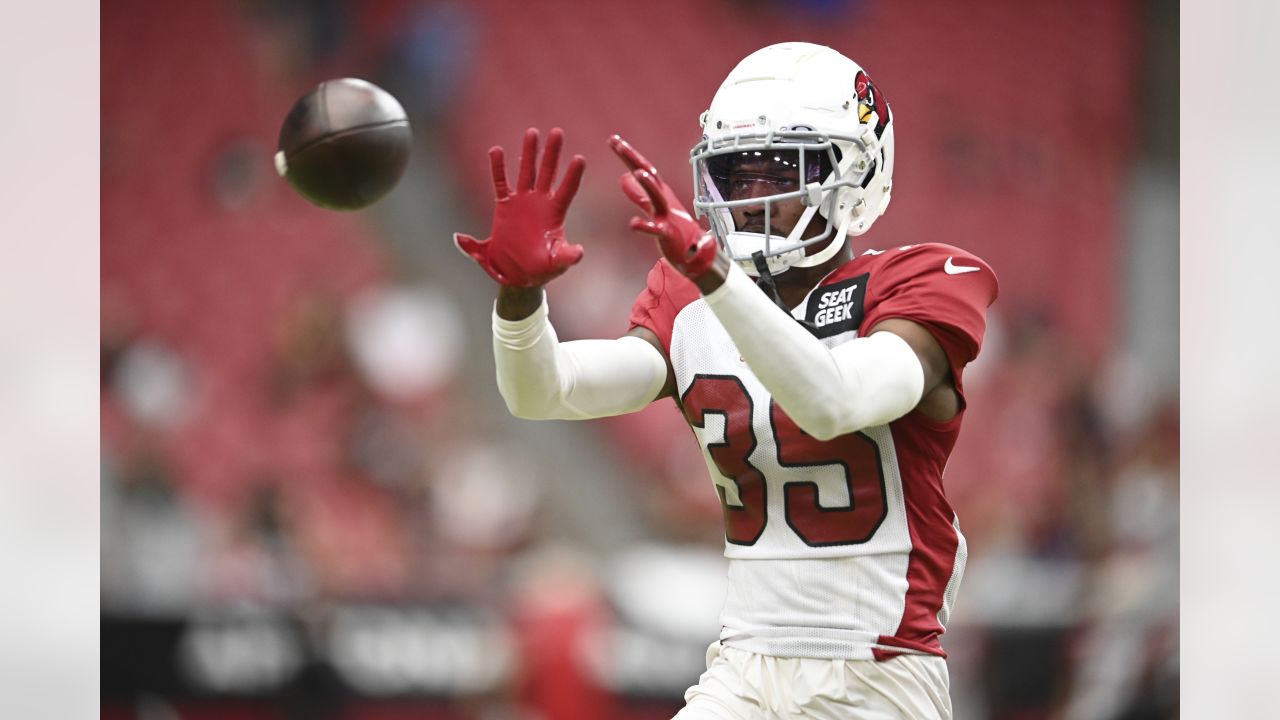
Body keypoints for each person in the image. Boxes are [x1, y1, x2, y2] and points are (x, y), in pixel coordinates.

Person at [455, 42, 998, 720]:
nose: (752, 198)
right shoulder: (692, 298)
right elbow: (545, 391)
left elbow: (834, 400)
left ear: (859, 173)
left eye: (780, 172)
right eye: (736, 176)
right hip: (743, 665)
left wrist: (717, 279)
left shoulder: (920, 282)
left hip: (879, 669)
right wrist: (519, 300)